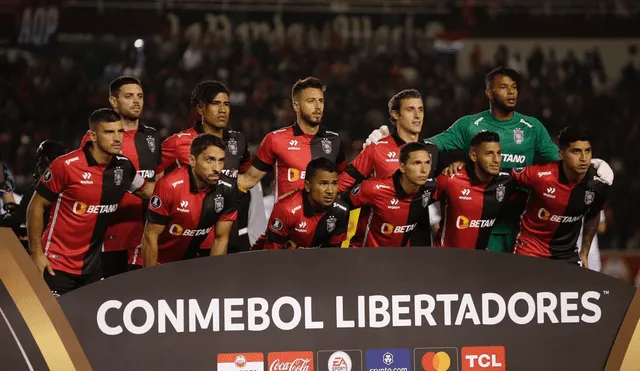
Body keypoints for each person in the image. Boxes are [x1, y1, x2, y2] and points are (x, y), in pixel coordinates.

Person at [363, 67, 614, 254]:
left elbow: (563, 162)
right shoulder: (469, 125)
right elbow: (427, 146)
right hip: (476, 223)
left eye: (514, 86)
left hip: (520, 226)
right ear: (489, 92)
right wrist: (389, 140)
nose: (511, 91)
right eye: (504, 87)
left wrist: (594, 165)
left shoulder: (532, 128)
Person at [27, 108, 154, 296]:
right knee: (52, 324)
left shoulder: (124, 167)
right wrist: (36, 253)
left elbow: (148, 191)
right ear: (93, 136)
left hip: (93, 269)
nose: (117, 138)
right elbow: (36, 206)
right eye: (109, 132)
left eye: (120, 131)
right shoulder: (66, 166)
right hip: (56, 265)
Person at [155, 80, 265, 257]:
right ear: (200, 108)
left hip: (227, 234)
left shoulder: (237, 140)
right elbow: (155, 177)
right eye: (215, 104)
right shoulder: (177, 142)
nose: (223, 110)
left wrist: (237, 189)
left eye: (226, 104)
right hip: (184, 236)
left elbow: (246, 173)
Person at [80, 76, 162, 277]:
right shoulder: (97, 139)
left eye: (140, 96)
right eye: (129, 96)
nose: (136, 101)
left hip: (143, 237)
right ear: (113, 101)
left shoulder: (152, 137)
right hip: (107, 238)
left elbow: (159, 180)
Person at [510, 126, 610, 267]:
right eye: (576, 151)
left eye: (587, 151)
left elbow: (594, 214)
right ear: (561, 154)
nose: (583, 158)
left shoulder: (598, 184)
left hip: (567, 255)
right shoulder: (540, 176)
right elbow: (505, 178)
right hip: (531, 251)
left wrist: (584, 253)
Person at [238, 77, 346, 200]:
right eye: (311, 101)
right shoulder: (275, 139)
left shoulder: (335, 141)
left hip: (324, 218)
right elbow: (248, 179)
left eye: (321, 101)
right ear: (296, 106)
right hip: (286, 218)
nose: (318, 106)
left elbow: (343, 183)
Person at [141, 134, 237, 266]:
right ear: (192, 160)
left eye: (221, 161)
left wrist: (215, 278)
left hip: (189, 263)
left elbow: (220, 239)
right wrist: (151, 278)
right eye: (210, 160)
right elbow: (150, 236)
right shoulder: (169, 186)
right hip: (157, 261)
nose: (217, 168)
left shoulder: (228, 189)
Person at [338, 89, 439, 191]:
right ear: (395, 114)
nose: (417, 115)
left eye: (420, 109)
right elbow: (340, 184)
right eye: (410, 110)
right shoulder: (377, 149)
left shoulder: (432, 149)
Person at [433, 131, 516, 249]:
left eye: (499, 153)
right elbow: (417, 200)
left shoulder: (506, 181)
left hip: (480, 260)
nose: (496, 159)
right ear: (473, 156)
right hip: (446, 258)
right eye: (489, 153)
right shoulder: (451, 178)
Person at [346, 142, 436, 248]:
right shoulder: (373, 189)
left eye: (427, 163)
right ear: (402, 167)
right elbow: (340, 207)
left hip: (398, 259)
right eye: (417, 163)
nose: (424, 170)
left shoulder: (430, 187)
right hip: (364, 257)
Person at [252, 158, 350, 250]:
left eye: (334, 183)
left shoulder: (341, 211)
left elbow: (333, 255)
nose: (330, 190)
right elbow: (271, 255)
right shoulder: (286, 209)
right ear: (307, 186)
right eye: (323, 183)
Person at [2, 140, 66, 248]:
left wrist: (6, 217)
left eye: (40, 159)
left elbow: (16, 219)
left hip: (44, 250)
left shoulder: (41, 188)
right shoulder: (71, 183)